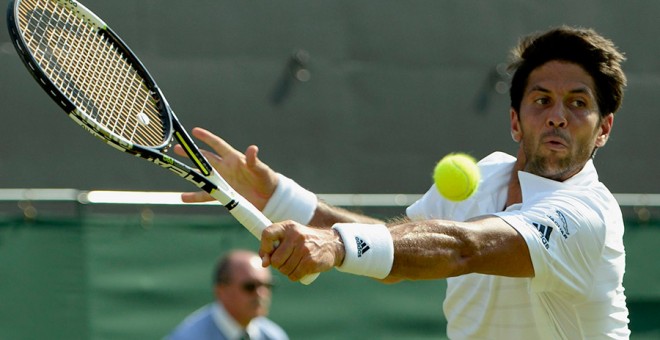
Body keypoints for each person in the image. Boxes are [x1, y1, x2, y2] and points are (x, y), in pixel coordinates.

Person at [175, 26, 630, 339]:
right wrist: (276, 197)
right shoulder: (486, 175)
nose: (557, 115)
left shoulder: (587, 214)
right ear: (515, 121)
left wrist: (334, 246)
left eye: (577, 103)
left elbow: (460, 248)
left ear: (604, 129)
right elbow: (394, 251)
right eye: (542, 99)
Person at [167, 250, 288, 340]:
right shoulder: (189, 337)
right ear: (221, 291)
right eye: (249, 286)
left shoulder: (273, 336)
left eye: (267, 286)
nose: (261, 294)